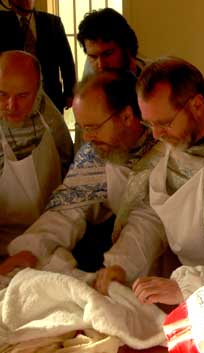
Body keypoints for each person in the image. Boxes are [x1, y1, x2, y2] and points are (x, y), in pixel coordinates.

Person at [105, 57, 204, 304]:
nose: (156, 135)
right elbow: (152, 217)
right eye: (149, 124)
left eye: (164, 123)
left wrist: (189, 287)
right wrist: (123, 263)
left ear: (197, 105)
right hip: (177, 286)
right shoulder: (171, 145)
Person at [0, 71, 161, 290]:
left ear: (126, 116)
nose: (86, 138)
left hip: (169, 270)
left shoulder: (165, 151)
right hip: (124, 269)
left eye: (92, 127)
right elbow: (68, 207)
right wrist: (31, 249)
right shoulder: (97, 152)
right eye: (82, 128)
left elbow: (149, 221)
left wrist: (123, 264)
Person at [0, 50, 73, 256]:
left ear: (38, 90)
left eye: (22, 96)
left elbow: (70, 177)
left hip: (52, 241)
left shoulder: (52, 123)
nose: (11, 106)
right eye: (2, 94)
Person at [0, 0, 76, 113]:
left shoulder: (53, 22)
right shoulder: (2, 22)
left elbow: (66, 60)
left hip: (50, 95)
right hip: (13, 99)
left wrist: (70, 92)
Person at [77, 8, 145, 77]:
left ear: (126, 49)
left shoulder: (149, 75)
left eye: (107, 54)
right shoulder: (90, 72)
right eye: (93, 57)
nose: (101, 65)